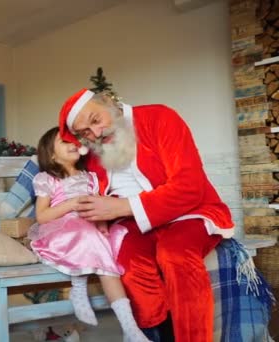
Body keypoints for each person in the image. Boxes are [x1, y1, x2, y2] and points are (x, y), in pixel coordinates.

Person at [56, 88, 235, 341]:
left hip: (188, 213)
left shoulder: (160, 118)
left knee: (175, 255)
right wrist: (103, 216)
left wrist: (124, 207)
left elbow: (189, 186)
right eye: (85, 132)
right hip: (133, 223)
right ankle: (156, 335)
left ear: (108, 101)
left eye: (96, 121)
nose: (95, 134)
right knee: (128, 266)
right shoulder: (93, 156)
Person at [30, 126, 150, 342]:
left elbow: (97, 207)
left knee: (109, 253)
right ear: (51, 154)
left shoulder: (90, 177)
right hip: (62, 231)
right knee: (87, 236)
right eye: (64, 142)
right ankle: (78, 287)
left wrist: (103, 224)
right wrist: (71, 204)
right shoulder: (46, 179)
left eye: (74, 141)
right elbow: (42, 216)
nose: (73, 144)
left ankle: (130, 329)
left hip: (91, 229)